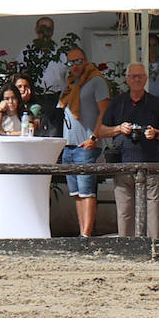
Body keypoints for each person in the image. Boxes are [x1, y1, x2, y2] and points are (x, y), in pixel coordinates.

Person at [98, 62, 159, 238]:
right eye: (133, 76)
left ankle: (156, 246)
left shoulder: (155, 103)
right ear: (127, 79)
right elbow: (101, 131)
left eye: (140, 76)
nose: (137, 80)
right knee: (125, 211)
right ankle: (127, 246)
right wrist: (119, 129)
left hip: (150, 165)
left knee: (153, 211)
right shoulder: (118, 103)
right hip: (123, 165)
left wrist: (155, 133)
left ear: (146, 79)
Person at [58, 46, 110, 238]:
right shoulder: (71, 83)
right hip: (69, 146)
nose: (75, 66)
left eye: (79, 61)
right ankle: (82, 233)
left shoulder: (96, 80)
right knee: (76, 193)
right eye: (71, 62)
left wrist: (94, 138)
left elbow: (105, 112)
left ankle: (86, 235)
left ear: (86, 60)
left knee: (87, 192)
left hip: (86, 146)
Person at [22, 17, 67, 95]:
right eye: (42, 28)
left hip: (57, 95)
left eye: (49, 29)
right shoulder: (27, 52)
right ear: (36, 29)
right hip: (34, 95)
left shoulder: (61, 52)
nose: (45, 32)